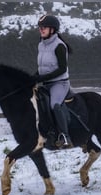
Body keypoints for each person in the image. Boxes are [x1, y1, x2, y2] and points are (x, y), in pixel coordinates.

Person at [32, 14, 73, 148]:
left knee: (54, 104)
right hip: (45, 83)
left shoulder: (59, 46)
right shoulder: (40, 45)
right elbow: (43, 67)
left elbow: (62, 69)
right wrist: (34, 77)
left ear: (53, 29)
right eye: (40, 27)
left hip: (59, 83)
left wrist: (42, 78)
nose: (41, 29)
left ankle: (65, 136)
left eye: (44, 27)